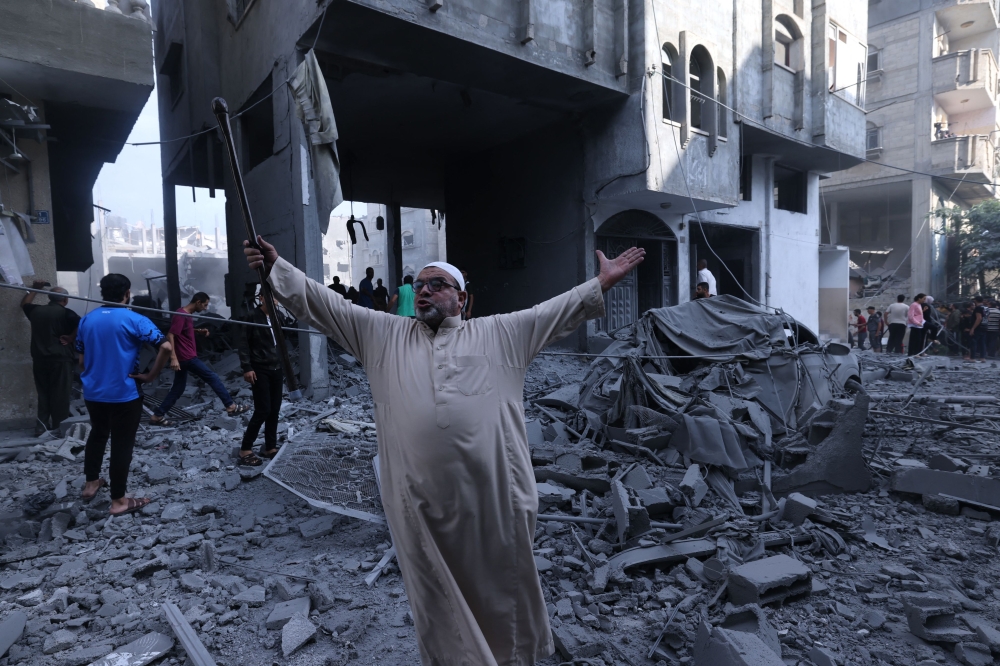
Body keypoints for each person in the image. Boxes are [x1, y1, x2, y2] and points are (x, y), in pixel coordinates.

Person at [244, 234, 644, 666]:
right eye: (419, 286)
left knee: (501, 590)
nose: (424, 291)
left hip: (494, 500)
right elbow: (324, 305)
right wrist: (276, 268)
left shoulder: (503, 333)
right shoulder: (382, 334)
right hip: (420, 504)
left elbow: (556, 311)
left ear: (462, 300)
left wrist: (601, 283)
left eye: (437, 285)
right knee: (436, 600)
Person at [75, 274, 172, 515]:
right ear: (127, 293)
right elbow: (166, 347)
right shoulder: (135, 319)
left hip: (93, 392)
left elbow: (81, 361)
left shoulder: (87, 320)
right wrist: (150, 376)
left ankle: (90, 484)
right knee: (122, 443)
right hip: (124, 394)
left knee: (97, 434)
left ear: (102, 293)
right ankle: (118, 500)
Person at [149, 292, 248, 426]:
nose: (206, 308)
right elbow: (171, 335)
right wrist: (173, 358)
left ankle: (157, 415)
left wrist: (198, 331)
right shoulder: (181, 314)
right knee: (212, 377)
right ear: (198, 302)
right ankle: (230, 406)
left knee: (178, 389)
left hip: (185, 357)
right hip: (186, 357)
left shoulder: (186, 315)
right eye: (205, 305)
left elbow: (182, 330)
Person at [21, 281, 80, 436]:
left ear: (50, 299)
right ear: (65, 300)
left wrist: (34, 289)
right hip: (60, 360)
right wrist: (71, 337)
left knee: (44, 393)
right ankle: (60, 428)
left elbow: (25, 303)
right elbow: (83, 324)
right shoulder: (67, 313)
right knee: (60, 394)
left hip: (40, 359)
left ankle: (41, 428)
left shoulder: (36, 311)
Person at [236, 291, 283, 466]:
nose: (275, 301)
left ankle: (270, 446)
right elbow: (243, 344)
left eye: (277, 297)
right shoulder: (251, 316)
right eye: (270, 297)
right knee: (263, 409)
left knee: (275, 409)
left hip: (277, 367)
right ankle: (245, 449)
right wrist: (247, 367)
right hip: (259, 368)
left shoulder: (278, 316)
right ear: (261, 298)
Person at [969, 295, 987, 362]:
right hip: (984, 326)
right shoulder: (986, 308)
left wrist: (973, 328)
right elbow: (988, 317)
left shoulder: (978, 308)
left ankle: (973, 358)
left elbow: (979, 318)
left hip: (978, 327)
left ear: (975, 301)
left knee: (974, 342)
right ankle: (982, 357)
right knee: (982, 343)